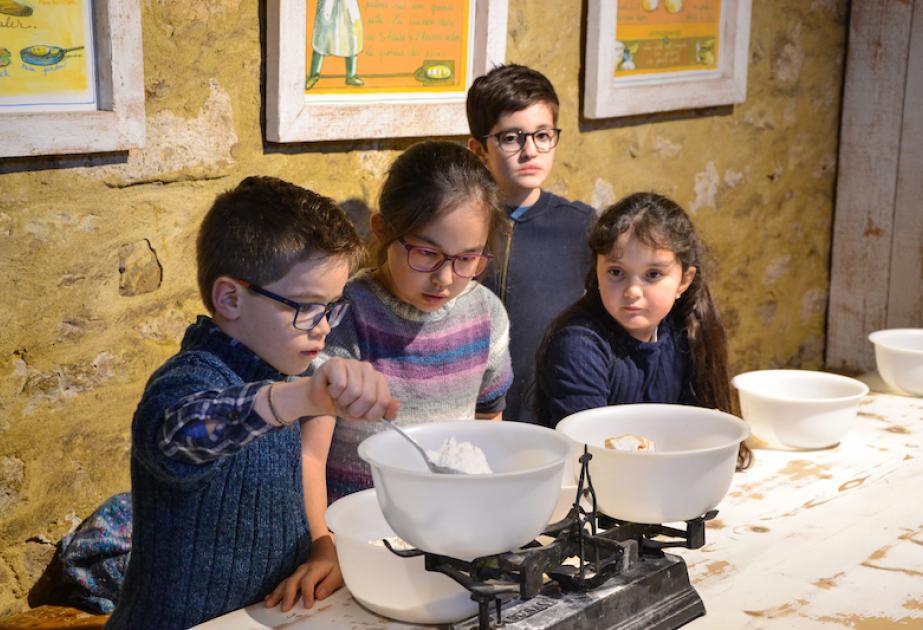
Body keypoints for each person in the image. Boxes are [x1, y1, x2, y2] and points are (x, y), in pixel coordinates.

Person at [106, 177, 398, 630]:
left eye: (332, 307)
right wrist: (302, 397)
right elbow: (181, 434)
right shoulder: (191, 377)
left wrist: (322, 547)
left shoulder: (282, 370)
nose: (323, 328)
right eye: (305, 307)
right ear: (230, 298)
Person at [306, 140, 513, 509]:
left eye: (467, 259)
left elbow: (488, 422)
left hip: (454, 523)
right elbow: (310, 454)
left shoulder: (486, 314)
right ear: (383, 230)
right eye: (427, 253)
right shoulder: (345, 317)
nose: (445, 279)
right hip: (363, 531)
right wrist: (324, 541)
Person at [534, 192, 751, 469]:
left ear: (684, 280)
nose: (632, 292)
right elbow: (592, 465)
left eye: (653, 275)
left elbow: (701, 438)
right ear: (597, 269)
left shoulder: (689, 331)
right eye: (616, 272)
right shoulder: (579, 347)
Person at [466, 63, 596, 423]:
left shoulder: (581, 227)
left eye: (542, 135)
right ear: (479, 149)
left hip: (556, 414)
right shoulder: (461, 228)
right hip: (474, 416)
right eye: (511, 138)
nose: (530, 151)